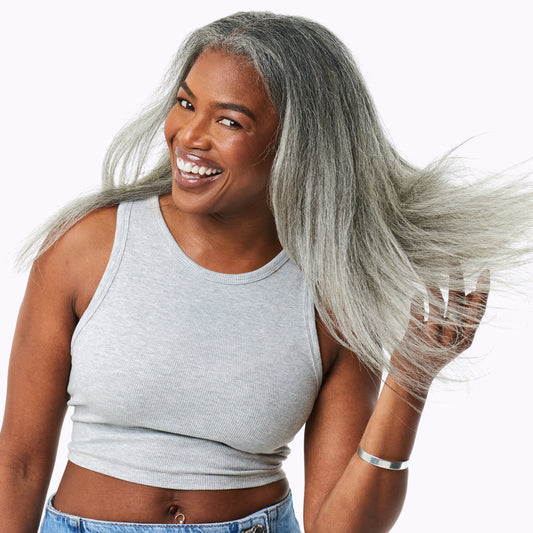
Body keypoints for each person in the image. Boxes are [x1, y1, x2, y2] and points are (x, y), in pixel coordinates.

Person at [0, 11, 530, 533]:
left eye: (229, 121)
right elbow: (18, 464)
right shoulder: (86, 248)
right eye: (186, 104)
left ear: (296, 144)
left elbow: (338, 528)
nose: (189, 136)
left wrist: (411, 376)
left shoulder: (335, 294)